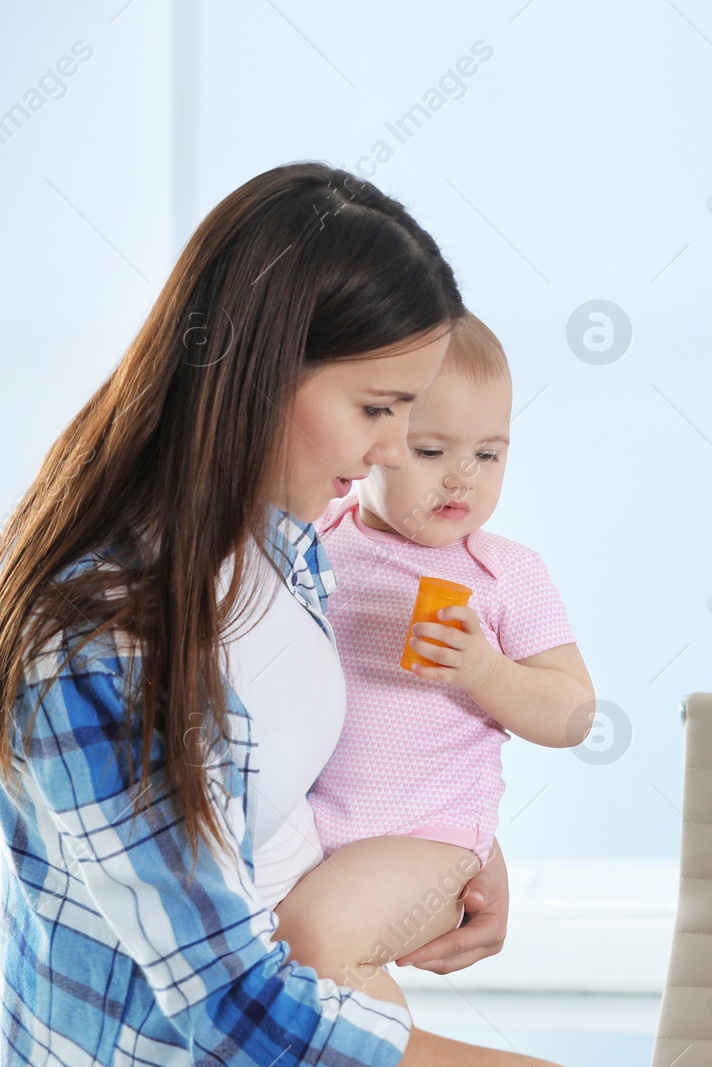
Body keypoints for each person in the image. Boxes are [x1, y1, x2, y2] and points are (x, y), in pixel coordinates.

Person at [0, 162, 558, 1066]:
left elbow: (279, 787)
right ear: (261, 372)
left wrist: (442, 846)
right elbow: (232, 1006)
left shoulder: (285, 539)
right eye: (378, 409)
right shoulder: (98, 641)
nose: (390, 453)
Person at [264, 311, 595, 1004]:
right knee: (320, 982)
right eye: (431, 451)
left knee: (313, 939)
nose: (461, 480)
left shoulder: (505, 574)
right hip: (311, 831)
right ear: (376, 443)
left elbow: (572, 712)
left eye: (489, 453)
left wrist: (487, 671)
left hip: (429, 842)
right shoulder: (315, 537)